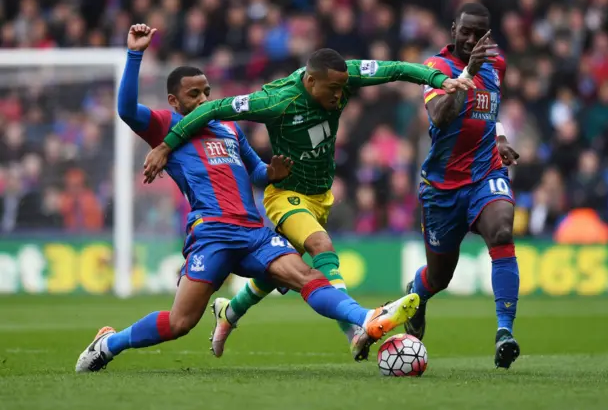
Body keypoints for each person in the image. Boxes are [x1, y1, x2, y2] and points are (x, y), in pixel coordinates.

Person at [75, 24, 420, 373]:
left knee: (306, 275)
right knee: (180, 323)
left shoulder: (228, 129)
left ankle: (367, 318)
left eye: (206, 93)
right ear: (174, 102)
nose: (202, 101)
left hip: (253, 230)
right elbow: (127, 111)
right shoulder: (167, 126)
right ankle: (108, 343)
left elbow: (255, 171)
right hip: (212, 233)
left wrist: (272, 173)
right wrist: (135, 54)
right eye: (193, 95)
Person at [141, 47, 475, 361]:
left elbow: (395, 68)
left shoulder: (343, 77)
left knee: (279, 272)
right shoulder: (275, 101)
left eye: (343, 88)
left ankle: (229, 312)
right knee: (320, 246)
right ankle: (356, 327)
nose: (339, 95)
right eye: (332, 89)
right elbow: (214, 108)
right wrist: (166, 145)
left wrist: (436, 79)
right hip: (285, 195)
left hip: (320, 195)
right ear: (310, 81)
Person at [403, 3, 522, 369]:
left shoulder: (497, 66)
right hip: (443, 188)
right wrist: (467, 73)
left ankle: (504, 332)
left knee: (502, 231)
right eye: (465, 31)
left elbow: (490, 111)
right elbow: (441, 115)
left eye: (479, 33)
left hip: (486, 173)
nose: (471, 39)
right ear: (454, 28)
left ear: (488, 34)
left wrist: (499, 137)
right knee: (439, 278)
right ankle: (417, 296)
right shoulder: (436, 69)